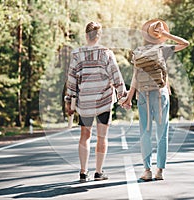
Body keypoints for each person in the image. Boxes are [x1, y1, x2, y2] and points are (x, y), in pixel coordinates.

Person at [122, 19, 189, 181]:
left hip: (143, 94)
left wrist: (128, 98)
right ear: (159, 35)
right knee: (162, 133)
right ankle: (160, 170)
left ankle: (147, 170)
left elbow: (136, 77)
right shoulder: (163, 49)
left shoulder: (138, 51)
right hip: (160, 94)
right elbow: (185, 43)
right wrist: (166, 35)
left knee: (145, 132)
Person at [65, 21, 127, 182]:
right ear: (99, 36)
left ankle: (83, 172)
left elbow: (71, 80)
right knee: (101, 137)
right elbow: (116, 76)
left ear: (86, 35)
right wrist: (123, 96)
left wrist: (68, 100)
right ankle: (98, 172)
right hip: (103, 101)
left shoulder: (77, 54)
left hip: (84, 102)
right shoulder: (106, 53)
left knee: (84, 136)